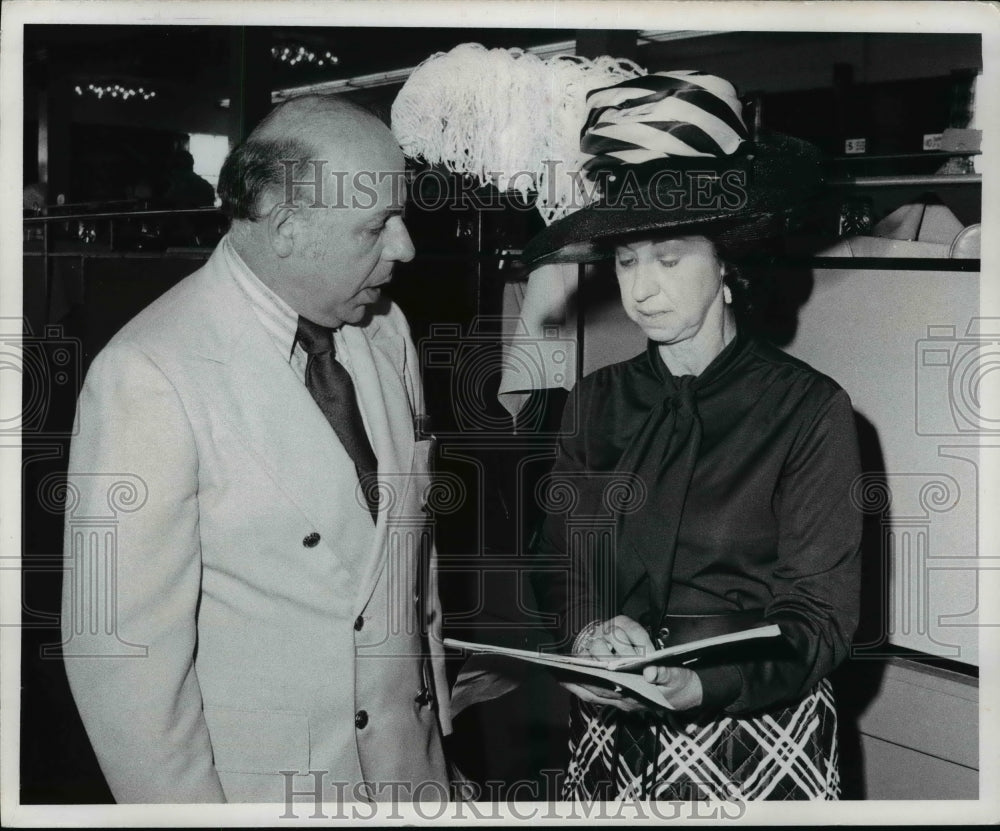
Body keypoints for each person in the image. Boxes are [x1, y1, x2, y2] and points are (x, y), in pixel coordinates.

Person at [61, 95, 451, 803]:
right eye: (378, 226)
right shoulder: (150, 374)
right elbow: (123, 664)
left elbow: (408, 567)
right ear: (287, 228)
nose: (405, 248)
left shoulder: (386, 331)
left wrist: (440, 740)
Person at [524, 71, 862, 800]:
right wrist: (590, 638)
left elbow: (819, 618)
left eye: (669, 257)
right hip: (611, 724)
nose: (641, 288)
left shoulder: (808, 411)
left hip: (754, 728)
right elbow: (562, 562)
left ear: (728, 265)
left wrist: (701, 684)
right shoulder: (596, 401)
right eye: (625, 259)